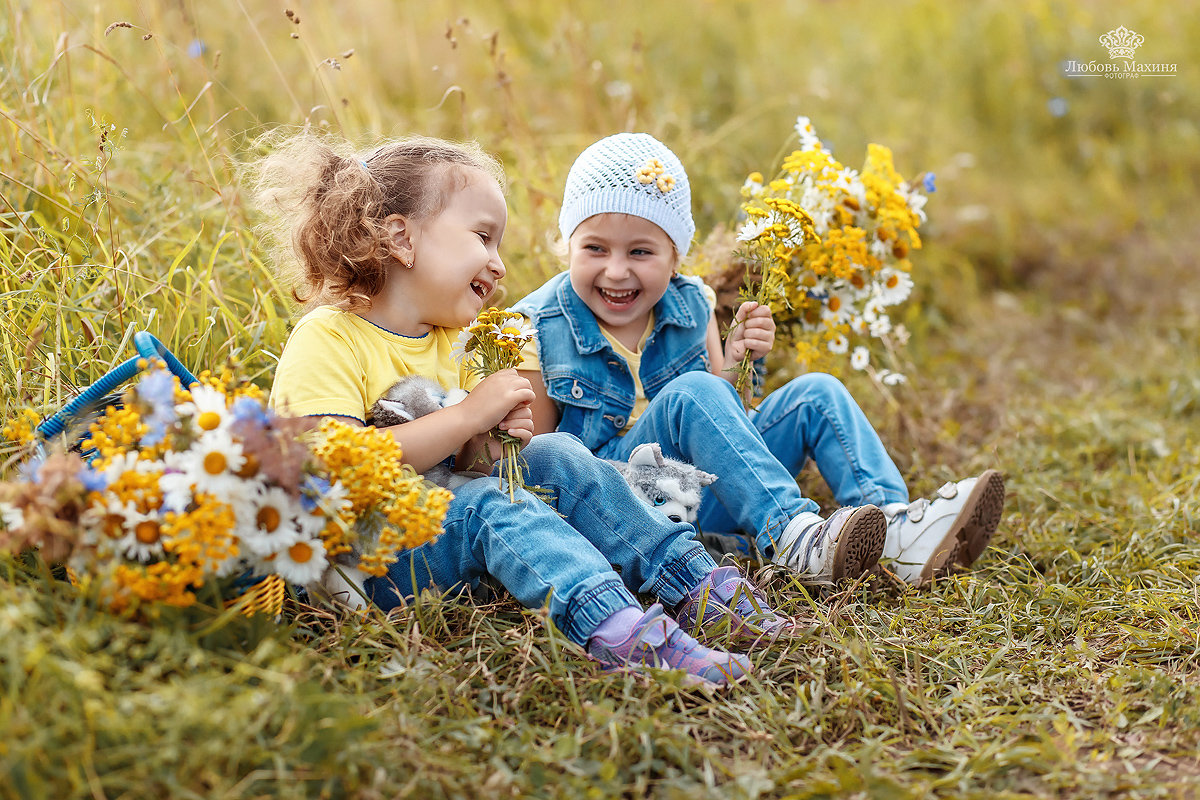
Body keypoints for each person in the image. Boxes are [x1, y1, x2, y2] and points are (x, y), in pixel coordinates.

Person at [256, 131, 792, 688]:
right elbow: (333, 469)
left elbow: (469, 464)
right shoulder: (330, 336)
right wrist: (466, 418)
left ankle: (697, 585)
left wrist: (497, 441)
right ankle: (618, 631)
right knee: (490, 501)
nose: (499, 264)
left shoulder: (454, 341)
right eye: (483, 238)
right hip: (375, 560)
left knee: (556, 452)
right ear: (401, 238)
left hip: (452, 531)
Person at [513, 132, 1005, 586]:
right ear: (567, 246)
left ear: (675, 257)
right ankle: (791, 536)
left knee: (816, 392)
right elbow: (544, 465)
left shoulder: (691, 302)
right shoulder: (537, 327)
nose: (616, 271)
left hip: (703, 493)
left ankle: (895, 534)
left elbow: (723, 420)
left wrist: (737, 365)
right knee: (693, 392)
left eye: (641, 252)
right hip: (623, 505)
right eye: (594, 248)